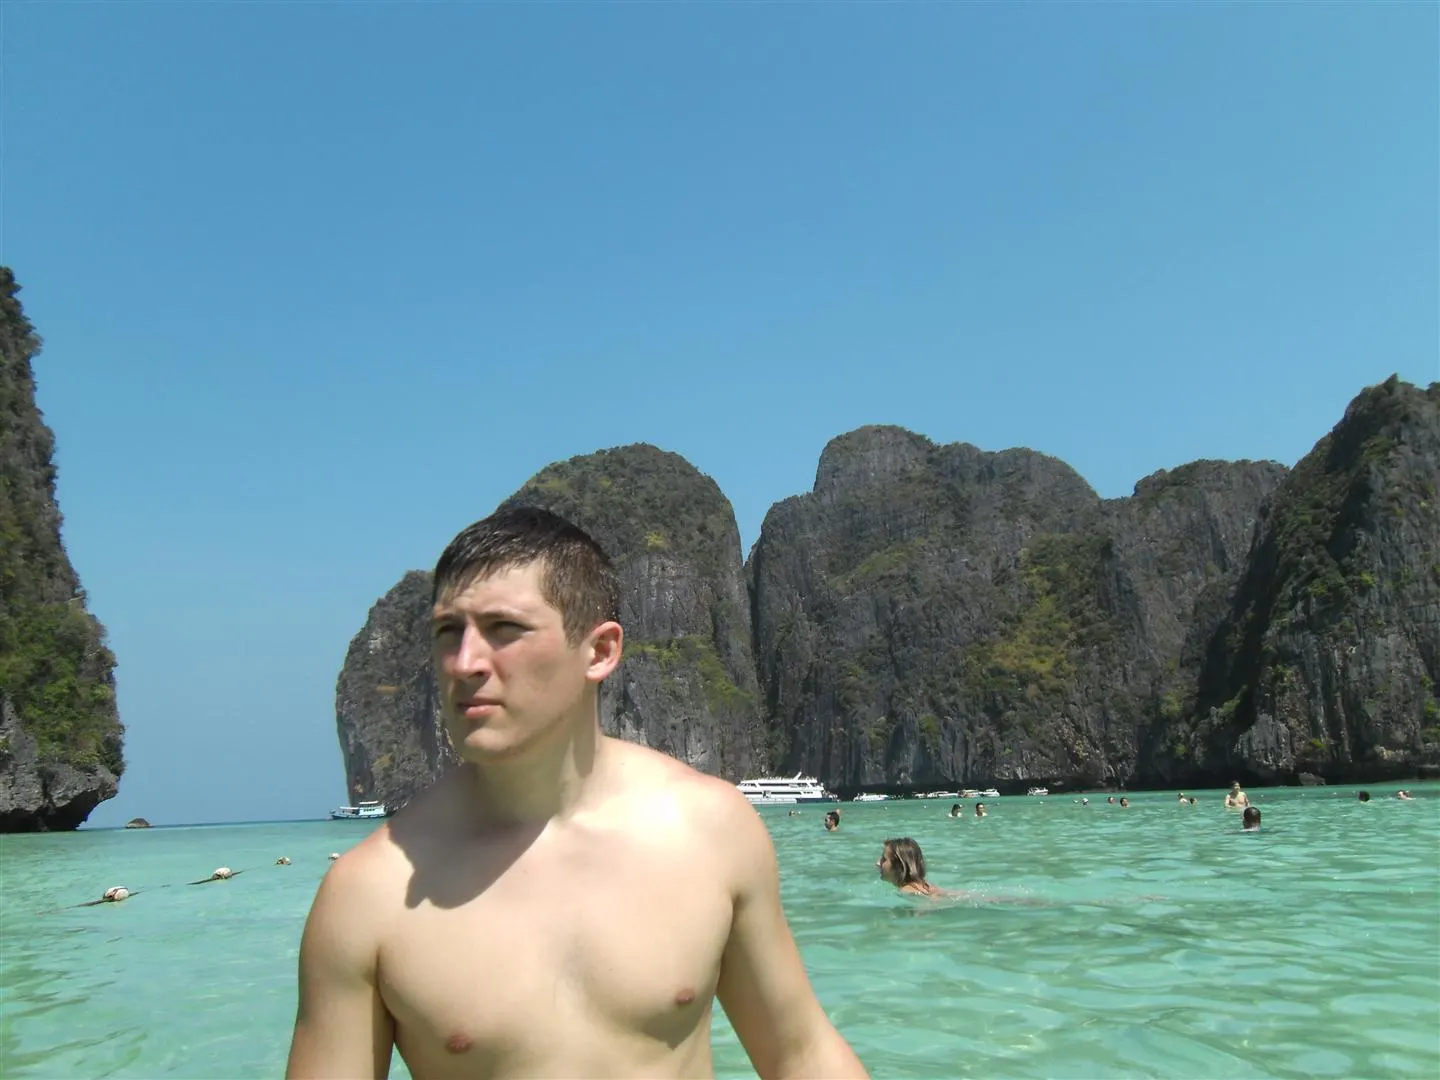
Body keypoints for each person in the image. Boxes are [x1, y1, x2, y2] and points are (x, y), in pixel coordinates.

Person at [286, 507, 867, 1080]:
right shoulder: (369, 893)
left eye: (504, 629)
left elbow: (800, 1054)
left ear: (599, 651)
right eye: (447, 632)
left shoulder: (710, 831)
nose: (464, 663)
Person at [875, 838, 943, 897]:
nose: (878, 863)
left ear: (899, 866)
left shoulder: (906, 891)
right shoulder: (928, 886)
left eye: (884, 859)